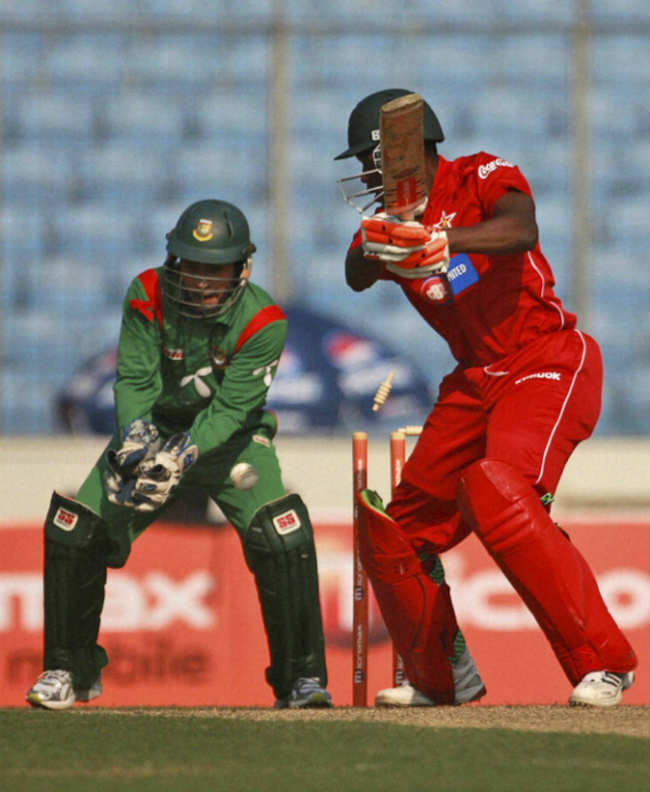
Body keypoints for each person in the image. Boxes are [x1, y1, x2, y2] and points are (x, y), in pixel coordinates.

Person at [336, 88, 637, 708]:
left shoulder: (479, 173)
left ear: (404, 152)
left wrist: (449, 240)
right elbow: (355, 274)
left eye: (370, 162)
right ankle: (442, 678)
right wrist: (375, 245)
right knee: (397, 534)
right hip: (472, 380)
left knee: (499, 487)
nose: (365, 176)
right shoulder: (392, 222)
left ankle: (605, 663)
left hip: (546, 357)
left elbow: (522, 228)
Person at [26, 199, 332, 711]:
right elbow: (135, 377)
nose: (201, 280)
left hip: (231, 443)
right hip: (153, 430)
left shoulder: (264, 322)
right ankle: (65, 670)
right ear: (174, 260)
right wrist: (136, 438)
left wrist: (183, 454)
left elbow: (232, 410)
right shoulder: (147, 292)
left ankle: (301, 680)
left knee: (283, 537)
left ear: (242, 268)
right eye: (192, 265)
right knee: (74, 530)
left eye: (216, 268)